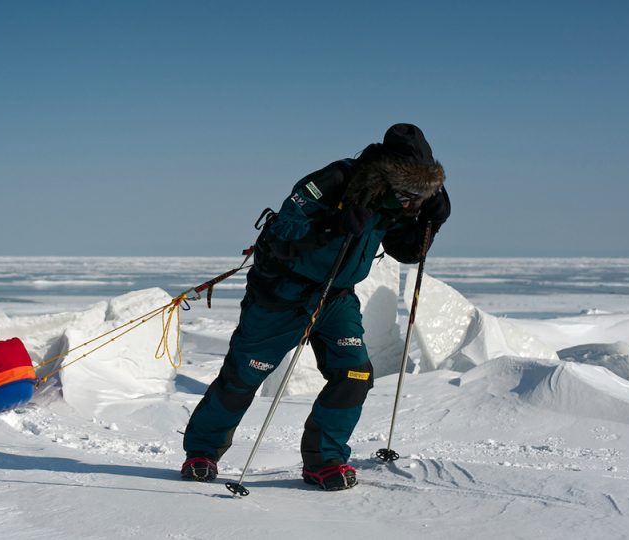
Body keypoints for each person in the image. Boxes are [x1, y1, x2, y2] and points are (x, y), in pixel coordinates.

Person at [180, 123, 451, 490]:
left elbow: (406, 252)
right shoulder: (335, 180)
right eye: (406, 192)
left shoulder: (398, 201)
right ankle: (202, 451)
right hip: (281, 295)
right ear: (387, 174)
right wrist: (335, 225)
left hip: (337, 299)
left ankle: (324, 460)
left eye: (417, 195)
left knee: (355, 374)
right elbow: (283, 234)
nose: (408, 201)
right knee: (244, 377)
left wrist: (429, 225)